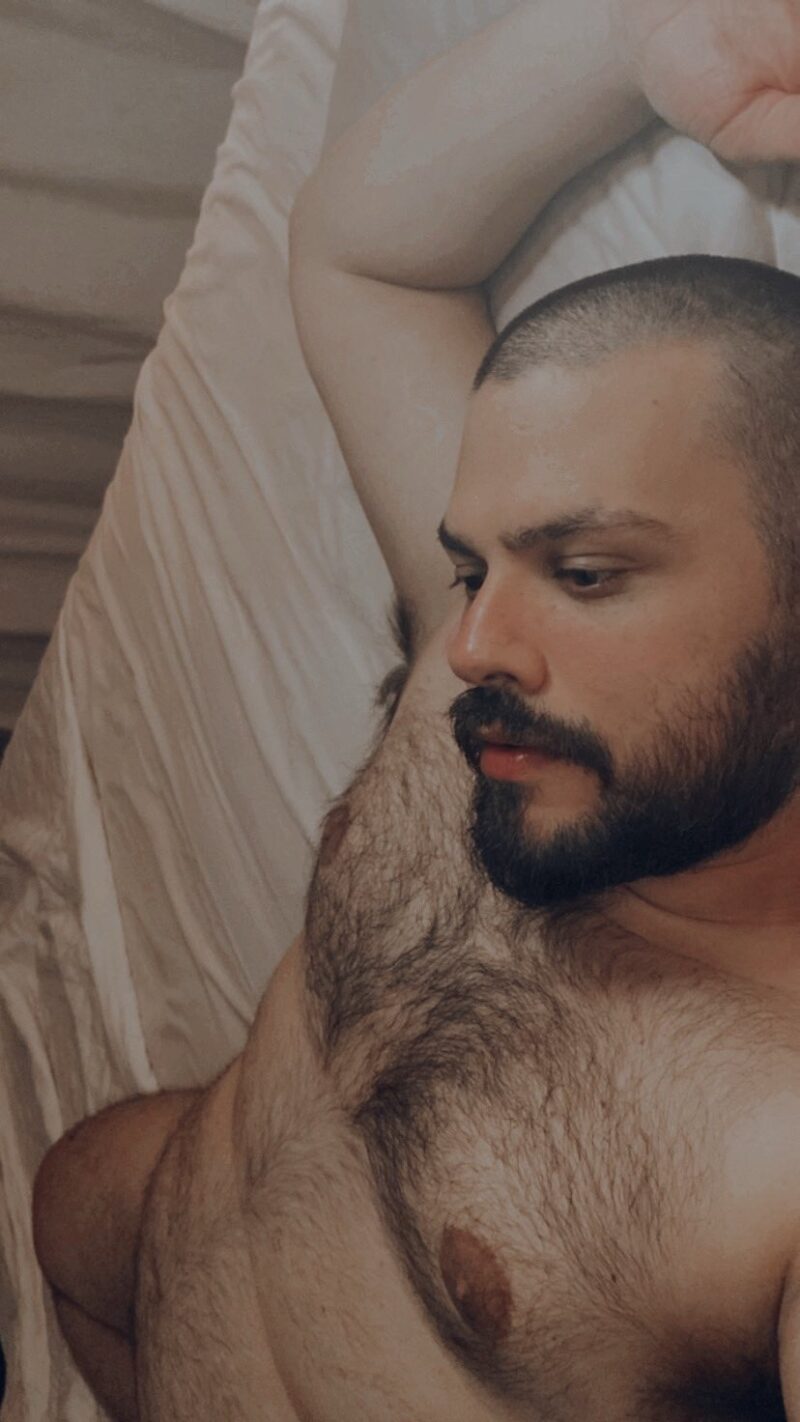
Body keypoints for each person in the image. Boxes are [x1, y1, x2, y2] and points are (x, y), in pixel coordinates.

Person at [30, 1, 800, 1418]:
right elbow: (362, 256)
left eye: (584, 572)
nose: (473, 642)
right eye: (468, 566)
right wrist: (644, 35)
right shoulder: (506, 683)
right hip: (134, 1280)